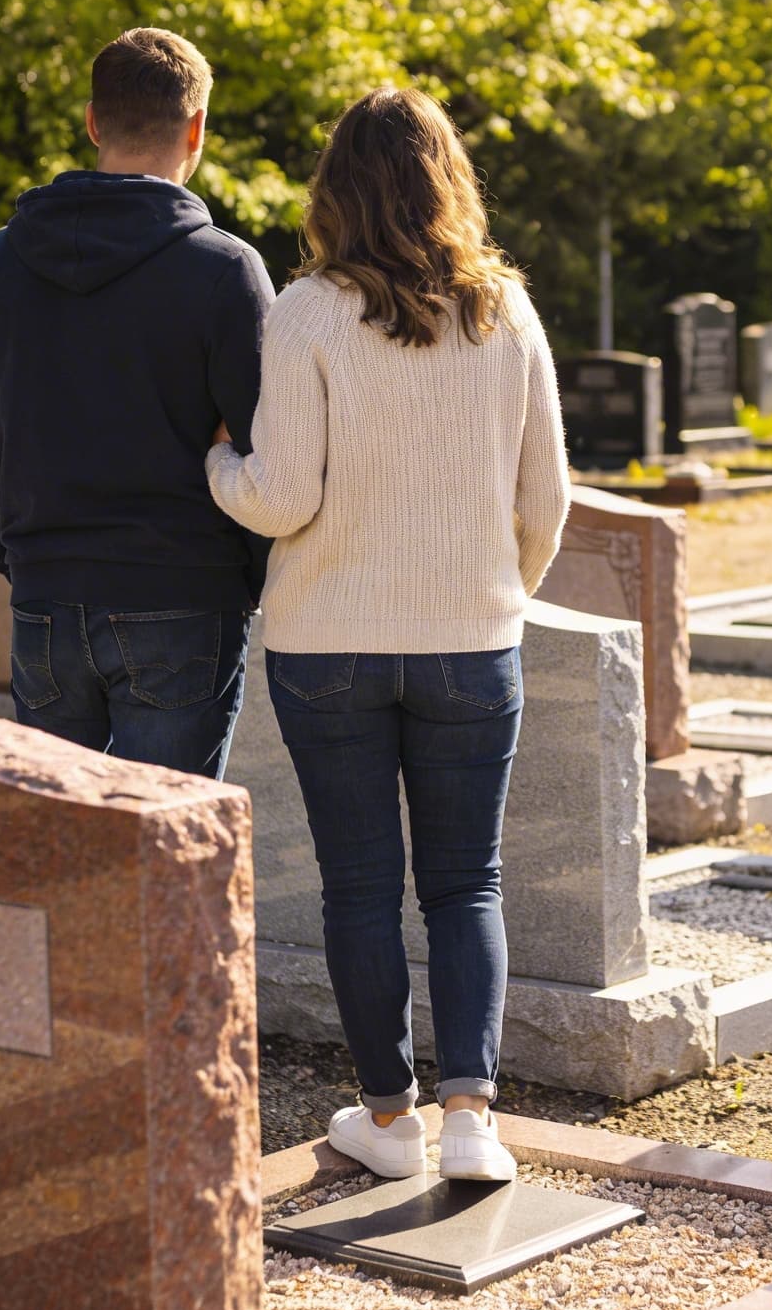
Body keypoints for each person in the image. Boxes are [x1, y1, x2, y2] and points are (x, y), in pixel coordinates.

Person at [207, 87, 569, 1185]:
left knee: (359, 885)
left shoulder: (309, 310)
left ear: (336, 188)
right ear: (447, 179)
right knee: (467, 880)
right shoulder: (505, 308)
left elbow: (278, 498)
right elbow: (546, 497)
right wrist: (495, 592)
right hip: (472, 640)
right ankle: (472, 1119)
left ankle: (388, 1118)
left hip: (329, 647)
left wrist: (217, 463)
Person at [0, 27, 272, 779]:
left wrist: (26, 559)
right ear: (197, 130)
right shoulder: (225, 271)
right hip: (184, 600)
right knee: (169, 861)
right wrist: (243, 585)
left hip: (45, 603)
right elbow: (268, 453)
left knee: (67, 862)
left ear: (93, 121)